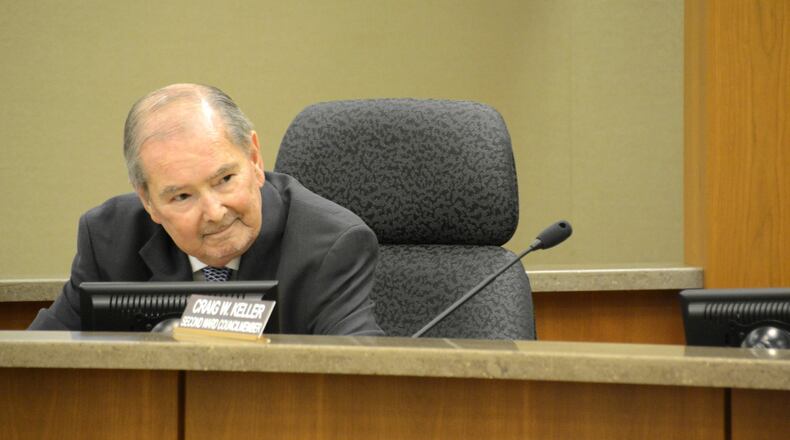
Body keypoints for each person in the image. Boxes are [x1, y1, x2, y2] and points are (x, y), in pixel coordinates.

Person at [28, 83, 383, 336]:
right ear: (148, 201)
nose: (214, 212)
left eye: (224, 179)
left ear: (254, 159)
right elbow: (38, 360)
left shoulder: (330, 245)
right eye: (183, 197)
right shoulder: (109, 238)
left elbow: (359, 376)